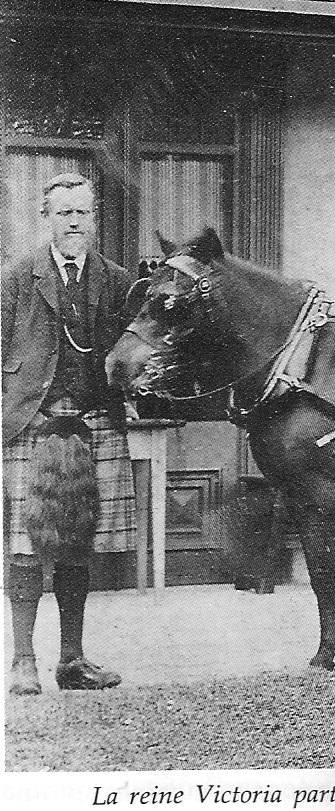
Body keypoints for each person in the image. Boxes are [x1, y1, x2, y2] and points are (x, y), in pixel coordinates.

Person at [3, 172, 137, 695]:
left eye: (82, 212)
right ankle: (22, 662)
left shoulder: (119, 282)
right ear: (47, 218)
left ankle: (72, 661)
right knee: (25, 547)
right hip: (31, 425)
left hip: (93, 424)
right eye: (64, 213)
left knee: (78, 544)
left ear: (94, 218)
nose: (74, 222)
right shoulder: (16, 279)